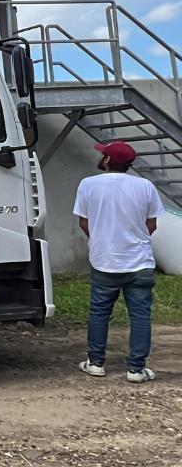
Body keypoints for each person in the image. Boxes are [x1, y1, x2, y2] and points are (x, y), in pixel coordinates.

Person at [74, 141, 165, 383]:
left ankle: (95, 364)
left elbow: (84, 222)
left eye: (103, 153)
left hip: (104, 261)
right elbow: (152, 224)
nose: (101, 155)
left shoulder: (88, 185)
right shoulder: (145, 186)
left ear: (107, 161)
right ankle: (136, 370)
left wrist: (103, 240)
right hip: (140, 262)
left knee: (99, 313)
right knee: (140, 316)